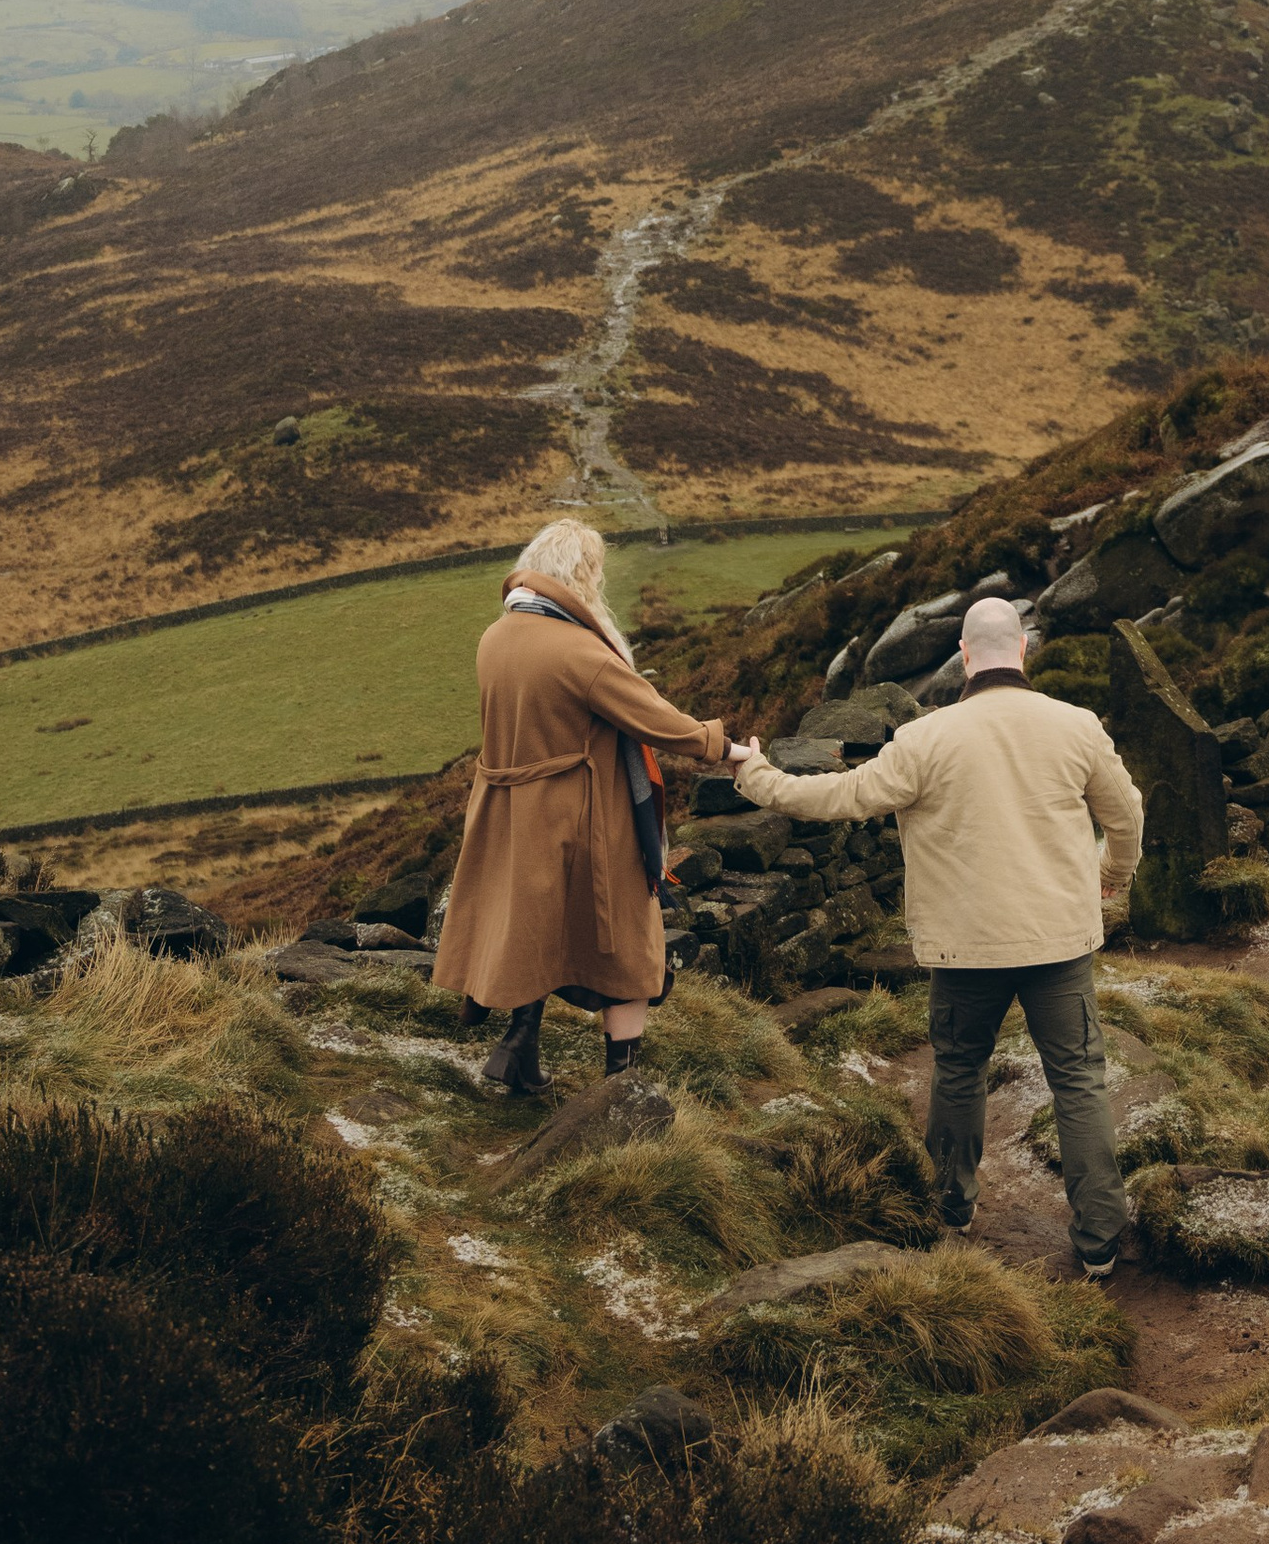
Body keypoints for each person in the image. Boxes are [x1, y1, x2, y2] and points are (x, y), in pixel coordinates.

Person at [725, 596, 1145, 1275]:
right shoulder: (1076, 726)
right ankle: (1100, 1239)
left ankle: (952, 1208)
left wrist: (756, 775)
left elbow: (838, 798)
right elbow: (1126, 816)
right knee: (1078, 1081)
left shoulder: (926, 738)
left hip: (965, 947)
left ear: (967, 655)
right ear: (1023, 651)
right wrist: (1113, 876)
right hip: (1059, 942)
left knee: (958, 1071)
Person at [432, 516, 729, 1098]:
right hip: (585, 818)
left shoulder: (495, 637)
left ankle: (519, 1049)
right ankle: (621, 1091)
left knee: (533, 933)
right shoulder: (579, 652)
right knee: (627, 948)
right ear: (582, 575)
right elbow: (656, 719)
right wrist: (723, 745)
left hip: (508, 815)